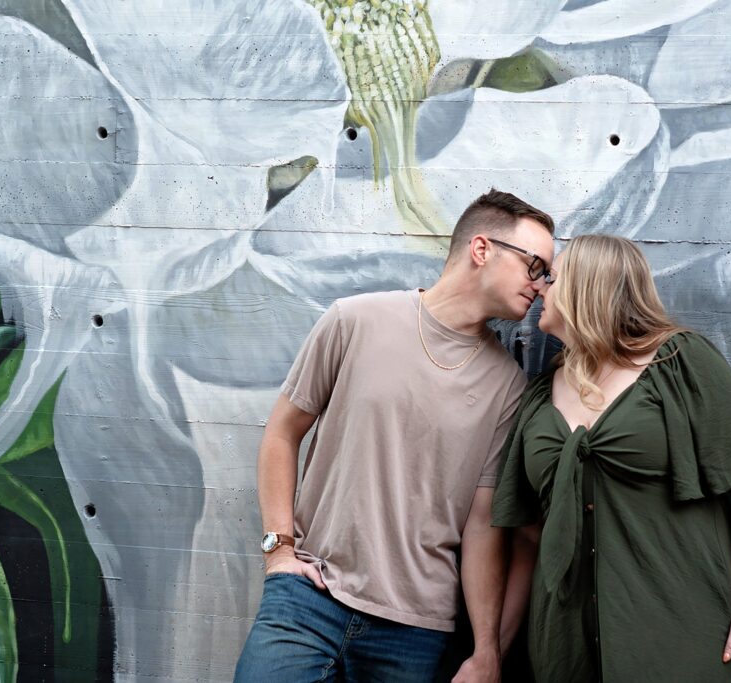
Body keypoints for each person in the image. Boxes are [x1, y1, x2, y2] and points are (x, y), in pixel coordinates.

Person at [233, 189, 555, 683]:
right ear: (482, 248)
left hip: (414, 631)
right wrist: (279, 549)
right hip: (308, 600)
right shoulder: (355, 319)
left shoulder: (509, 384)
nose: (541, 284)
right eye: (535, 265)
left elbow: (483, 523)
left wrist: (487, 648)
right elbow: (282, 431)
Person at [492, 234, 731, 682]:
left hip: (681, 632)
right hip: (566, 645)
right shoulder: (538, 396)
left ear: (587, 287)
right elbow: (527, 537)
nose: (542, 288)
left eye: (554, 277)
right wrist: (490, 651)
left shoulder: (681, 363)